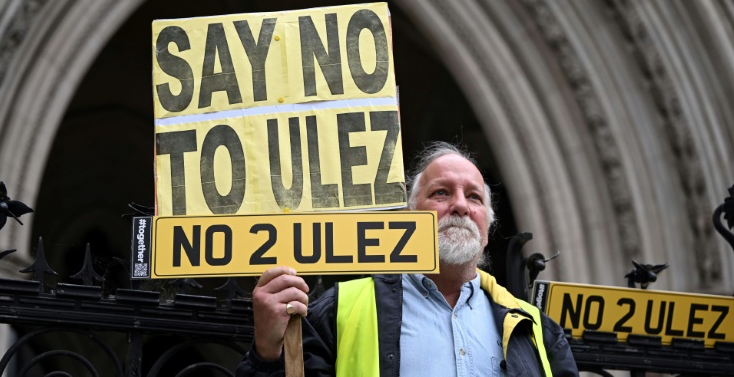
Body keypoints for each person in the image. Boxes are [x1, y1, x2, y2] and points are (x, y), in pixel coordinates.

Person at [236, 142, 578, 376]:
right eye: (441, 192)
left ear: (487, 225)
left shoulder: (537, 330)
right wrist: (267, 353)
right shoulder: (341, 309)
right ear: (407, 215)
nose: (459, 205)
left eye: (473, 196)